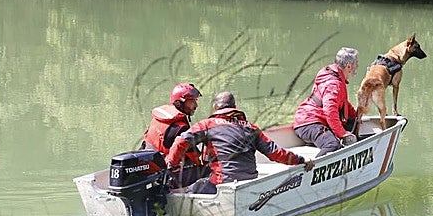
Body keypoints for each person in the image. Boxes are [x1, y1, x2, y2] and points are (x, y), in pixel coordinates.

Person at [167, 91, 314, 194]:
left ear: (216, 107)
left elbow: (181, 141)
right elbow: (276, 153)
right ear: (235, 107)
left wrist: (170, 164)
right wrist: (301, 160)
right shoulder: (251, 128)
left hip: (221, 183)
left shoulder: (207, 125)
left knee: (191, 189)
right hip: (249, 183)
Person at [293, 47, 359, 157]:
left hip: (312, 120)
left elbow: (343, 104)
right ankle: (312, 171)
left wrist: (357, 116)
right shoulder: (334, 84)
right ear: (349, 66)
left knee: (352, 123)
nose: (357, 66)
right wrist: (342, 133)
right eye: (356, 63)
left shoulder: (334, 76)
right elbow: (330, 111)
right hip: (310, 123)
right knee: (332, 145)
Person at [141, 82, 204, 187]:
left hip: (150, 165)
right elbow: (195, 158)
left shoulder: (160, 117)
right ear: (180, 103)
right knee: (207, 170)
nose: (196, 105)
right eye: (192, 101)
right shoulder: (180, 127)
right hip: (165, 173)